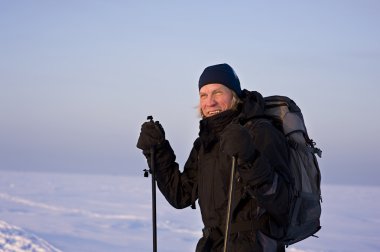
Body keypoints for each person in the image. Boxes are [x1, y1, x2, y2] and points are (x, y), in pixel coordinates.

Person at [137, 63, 291, 252]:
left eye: (218, 92)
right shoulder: (206, 142)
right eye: (204, 95)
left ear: (234, 95)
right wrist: (157, 151)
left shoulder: (260, 131)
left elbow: (284, 203)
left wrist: (249, 157)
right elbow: (181, 195)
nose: (210, 102)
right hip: (212, 245)